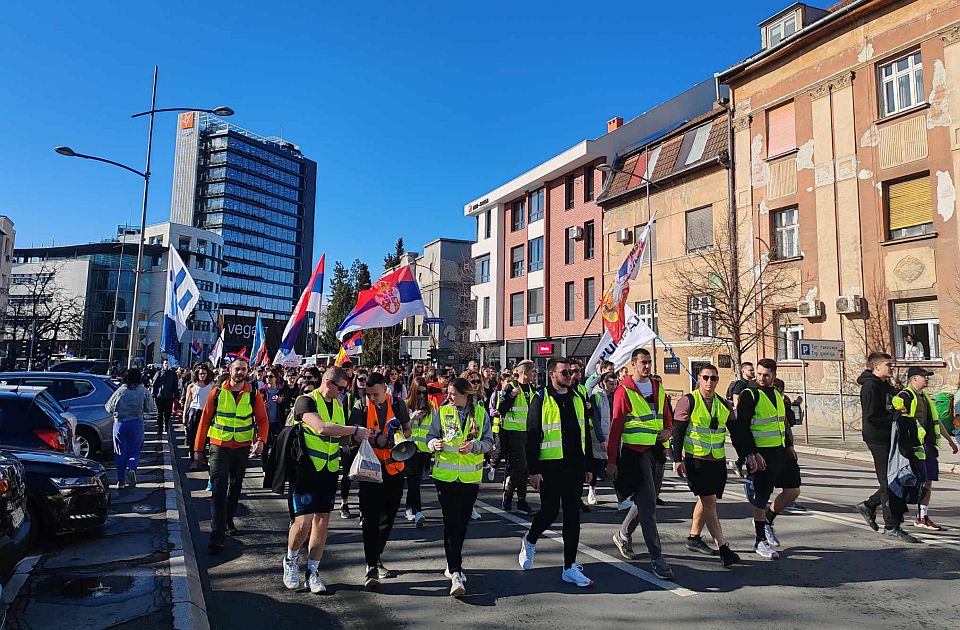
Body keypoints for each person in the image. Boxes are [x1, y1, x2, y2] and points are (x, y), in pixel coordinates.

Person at [282, 367, 370, 593]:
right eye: (341, 388)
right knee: (303, 523)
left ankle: (313, 571)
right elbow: (321, 428)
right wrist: (354, 429)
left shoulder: (339, 405)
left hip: (329, 470)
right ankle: (291, 560)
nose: (342, 393)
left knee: (321, 521)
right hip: (306, 469)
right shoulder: (305, 401)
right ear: (329, 382)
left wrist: (356, 439)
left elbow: (339, 438)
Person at [518, 358, 594, 587]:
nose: (569, 375)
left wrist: (589, 466)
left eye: (571, 372)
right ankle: (530, 540)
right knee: (549, 512)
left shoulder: (578, 397)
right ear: (552, 374)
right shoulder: (540, 399)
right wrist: (533, 470)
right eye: (564, 372)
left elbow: (585, 433)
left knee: (572, 516)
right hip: (550, 467)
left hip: (574, 466)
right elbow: (531, 436)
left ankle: (569, 567)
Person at [607, 348, 674, 580]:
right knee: (649, 507)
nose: (647, 366)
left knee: (648, 499)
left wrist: (668, 431)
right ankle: (657, 558)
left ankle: (623, 534)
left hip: (656, 451)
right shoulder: (624, 391)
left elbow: (667, 416)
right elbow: (615, 428)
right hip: (636, 454)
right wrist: (611, 461)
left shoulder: (658, 386)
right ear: (633, 364)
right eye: (643, 362)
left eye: (649, 362)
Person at [193, 358, 269, 554]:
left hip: (242, 448)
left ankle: (228, 518)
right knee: (218, 489)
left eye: (243, 369)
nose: (240, 372)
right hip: (219, 446)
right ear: (230, 370)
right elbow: (205, 420)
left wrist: (260, 440)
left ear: (247, 371)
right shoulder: (217, 392)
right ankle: (217, 536)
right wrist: (198, 450)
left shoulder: (253, 394)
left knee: (235, 485)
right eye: (237, 369)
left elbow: (262, 420)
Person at [428, 377, 494, 596]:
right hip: (445, 477)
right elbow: (431, 436)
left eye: (454, 394)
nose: (450, 397)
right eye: (448, 393)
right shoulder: (443, 412)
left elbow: (489, 442)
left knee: (462, 523)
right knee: (451, 521)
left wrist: (474, 446)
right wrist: (433, 444)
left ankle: (452, 562)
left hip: (469, 478)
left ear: (466, 394)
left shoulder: (481, 414)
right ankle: (455, 570)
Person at [729, 358, 801, 560]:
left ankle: (768, 520)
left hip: (780, 452)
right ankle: (760, 540)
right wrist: (750, 454)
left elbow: (782, 423)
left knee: (793, 490)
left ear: (774, 375)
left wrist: (789, 445)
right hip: (761, 454)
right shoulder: (749, 394)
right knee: (761, 497)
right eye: (759, 374)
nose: (762, 377)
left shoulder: (777, 394)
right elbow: (741, 427)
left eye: (766, 374)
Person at [671, 364, 740, 567]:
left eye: (714, 378)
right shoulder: (688, 401)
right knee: (709, 501)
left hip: (716, 461)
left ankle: (693, 537)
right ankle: (724, 548)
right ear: (698, 378)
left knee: (706, 500)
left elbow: (737, 433)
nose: (710, 382)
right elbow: (678, 432)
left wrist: (747, 455)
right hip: (696, 460)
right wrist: (677, 459)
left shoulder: (723, 404)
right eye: (706, 377)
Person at [350, 372, 413, 589]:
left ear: (385, 388)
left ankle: (376, 555)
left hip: (394, 467)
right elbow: (355, 434)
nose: (372, 399)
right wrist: (375, 438)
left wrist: (401, 437)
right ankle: (371, 566)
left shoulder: (398, 404)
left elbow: (407, 428)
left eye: (376, 394)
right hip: (370, 467)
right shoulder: (360, 406)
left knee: (389, 514)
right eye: (369, 394)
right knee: (370, 517)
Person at [855, 353, 916, 541]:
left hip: (890, 436)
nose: (892, 367)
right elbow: (872, 417)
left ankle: (869, 505)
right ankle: (891, 526)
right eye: (889, 364)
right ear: (876, 367)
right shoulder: (870, 386)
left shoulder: (884, 385)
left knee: (896, 477)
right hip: (878, 438)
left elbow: (891, 405)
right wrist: (894, 417)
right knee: (888, 481)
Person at [892, 367, 958, 531]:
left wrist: (950, 441)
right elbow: (897, 421)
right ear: (914, 379)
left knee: (927, 481)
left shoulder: (926, 397)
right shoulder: (904, 396)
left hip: (928, 446)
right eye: (924, 376)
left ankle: (922, 516)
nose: (927, 379)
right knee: (910, 481)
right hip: (912, 446)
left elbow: (936, 421)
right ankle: (889, 512)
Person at [497, 360, 538, 513]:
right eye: (532, 371)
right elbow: (501, 409)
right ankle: (508, 493)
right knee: (519, 466)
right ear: (524, 373)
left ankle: (521, 500)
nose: (534, 374)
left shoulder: (533, 388)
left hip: (529, 432)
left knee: (526, 467)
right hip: (514, 431)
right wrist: (511, 396)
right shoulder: (512, 386)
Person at [105, 368, 157, 489]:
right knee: (135, 450)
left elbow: (108, 408)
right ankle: (132, 467)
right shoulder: (144, 391)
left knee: (120, 452)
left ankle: (121, 481)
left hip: (120, 424)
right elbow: (150, 408)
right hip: (136, 423)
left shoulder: (120, 391)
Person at [403, 376, 434, 527]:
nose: (422, 396)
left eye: (424, 393)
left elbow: (434, 428)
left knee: (416, 481)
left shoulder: (430, 407)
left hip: (424, 450)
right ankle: (417, 512)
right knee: (413, 480)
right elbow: (397, 427)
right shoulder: (405, 405)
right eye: (419, 393)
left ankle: (410, 508)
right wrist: (411, 417)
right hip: (409, 448)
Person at [339, 368, 368, 519]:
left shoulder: (371, 397)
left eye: (365, 380)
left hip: (365, 443)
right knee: (347, 475)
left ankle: (364, 506)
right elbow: (343, 420)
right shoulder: (349, 398)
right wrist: (344, 442)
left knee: (364, 476)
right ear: (355, 381)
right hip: (350, 442)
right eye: (360, 380)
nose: (363, 383)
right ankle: (344, 503)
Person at [587, 371, 617, 506]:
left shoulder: (618, 396)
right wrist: (601, 439)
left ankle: (621, 497)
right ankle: (591, 490)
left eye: (615, 383)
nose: (613, 386)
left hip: (615, 437)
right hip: (600, 437)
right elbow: (596, 419)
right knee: (595, 466)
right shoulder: (596, 397)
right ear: (603, 383)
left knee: (616, 467)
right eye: (610, 384)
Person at [183, 363, 215, 466]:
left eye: (204, 373)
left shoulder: (211, 385)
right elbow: (187, 402)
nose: (202, 375)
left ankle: (202, 456)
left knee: (205, 437)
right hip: (194, 412)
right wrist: (184, 416)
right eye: (201, 373)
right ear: (197, 374)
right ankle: (193, 459)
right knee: (193, 436)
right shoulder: (191, 386)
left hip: (206, 413)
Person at [261, 368, 289, 468]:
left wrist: (281, 401)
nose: (268, 378)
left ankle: (275, 467)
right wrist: (263, 406)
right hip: (265, 422)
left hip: (278, 422)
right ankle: (264, 467)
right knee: (264, 446)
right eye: (266, 376)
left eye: (271, 376)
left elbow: (287, 405)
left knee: (276, 446)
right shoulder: (262, 390)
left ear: (276, 378)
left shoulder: (282, 390)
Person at [151, 359, 180, 435]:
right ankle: (160, 428)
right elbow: (154, 385)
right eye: (165, 363)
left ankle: (166, 426)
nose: (167, 365)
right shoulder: (159, 373)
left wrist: (176, 396)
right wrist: (153, 395)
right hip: (159, 397)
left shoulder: (173, 374)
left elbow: (175, 386)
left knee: (167, 413)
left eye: (168, 363)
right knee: (159, 414)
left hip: (169, 397)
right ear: (163, 364)